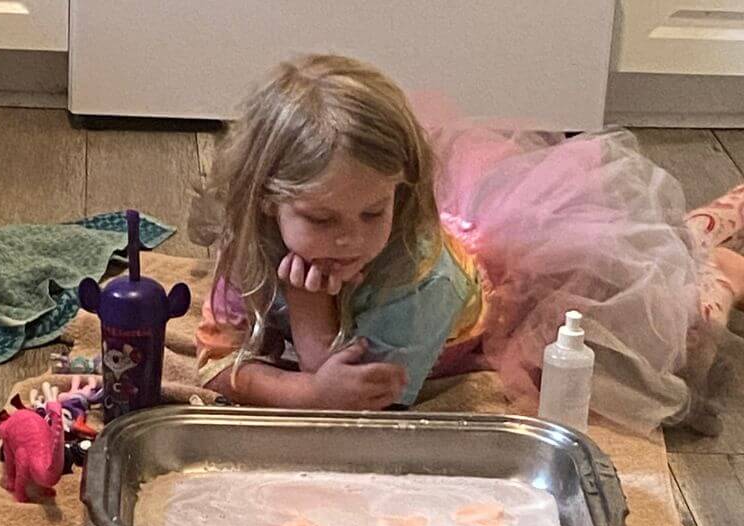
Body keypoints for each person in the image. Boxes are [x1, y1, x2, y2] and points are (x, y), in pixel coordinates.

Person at [189, 53, 744, 434]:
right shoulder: (252, 248)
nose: (350, 237)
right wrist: (310, 392)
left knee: (682, 315)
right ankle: (708, 224)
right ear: (267, 201)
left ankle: (722, 266)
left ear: (399, 194)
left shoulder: (419, 283)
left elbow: (362, 405)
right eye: (320, 218)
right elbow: (216, 360)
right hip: (463, 251)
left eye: (373, 211)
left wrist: (309, 328)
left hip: (513, 302)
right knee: (664, 247)